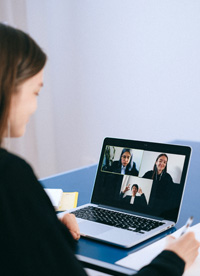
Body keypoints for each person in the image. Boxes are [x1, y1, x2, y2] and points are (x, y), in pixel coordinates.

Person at [0, 23, 199, 276]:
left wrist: (47, 232)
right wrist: (173, 259)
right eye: (35, 92)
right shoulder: (10, 177)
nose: (35, 107)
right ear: (7, 89)